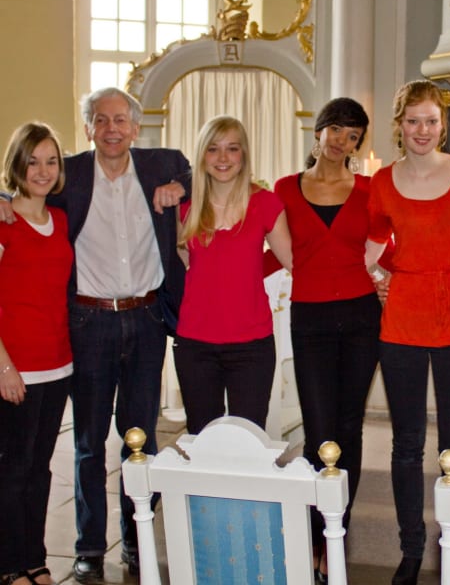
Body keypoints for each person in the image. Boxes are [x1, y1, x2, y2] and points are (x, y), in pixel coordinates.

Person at [0, 87, 191, 582]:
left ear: (135, 126)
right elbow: (24, 186)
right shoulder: (71, 176)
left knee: (140, 438)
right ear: (87, 128)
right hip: (88, 323)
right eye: (100, 120)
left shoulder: (161, 165)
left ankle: (136, 538)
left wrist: (181, 188)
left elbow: (199, 170)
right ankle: (88, 545)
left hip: (147, 320)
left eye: (121, 120)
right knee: (86, 441)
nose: (111, 129)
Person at [366, 80, 450, 585]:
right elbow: (373, 245)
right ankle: (412, 548)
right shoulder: (383, 181)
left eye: (431, 120)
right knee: (407, 442)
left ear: (443, 125)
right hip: (404, 318)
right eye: (412, 120)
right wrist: (385, 276)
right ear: (399, 125)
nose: (422, 130)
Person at [267, 98, 389, 583]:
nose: (343, 142)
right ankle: (318, 531)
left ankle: (337, 525)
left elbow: (394, 239)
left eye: (354, 135)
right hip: (312, 319)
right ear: (318, 133)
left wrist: (390, 273)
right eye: (336, 130)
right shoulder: (284, 189)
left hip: (362, 317)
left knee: (349, 425)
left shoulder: (369, 189)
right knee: (319, 428)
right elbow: (276, 252)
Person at [174, 115, 292, 435]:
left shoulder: (265, 204)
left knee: (248, 440)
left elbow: (295, 262)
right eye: (213, 149)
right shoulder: (184, 207)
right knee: (202, 436)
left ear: (244, 155)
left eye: (232, 149)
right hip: (195, 343)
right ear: (201, 155)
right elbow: (180, 264)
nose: (223, 158)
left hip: (251, 345)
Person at [0, 123, 72, 585]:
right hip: (15, 368)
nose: (42, 171)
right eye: (33, 161)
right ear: (17, 166)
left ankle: (35, 558)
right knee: (12, 470)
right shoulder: (4, 222)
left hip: (58, 364)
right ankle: (8, 565)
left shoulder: (60, 219)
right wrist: (3, 365)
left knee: (41, 470)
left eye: (51, 161)